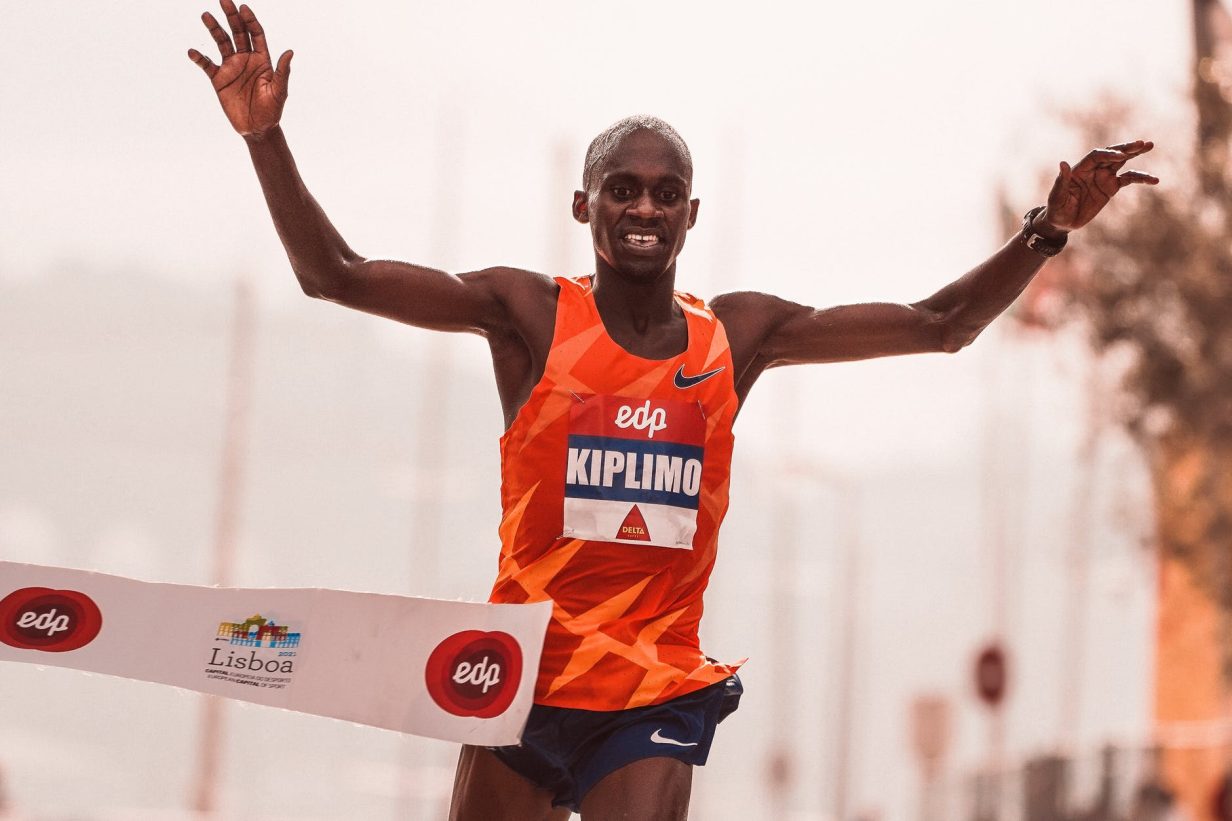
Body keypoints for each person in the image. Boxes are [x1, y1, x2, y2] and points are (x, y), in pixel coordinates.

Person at [187, 3, 1158, 818]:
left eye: (664, 192)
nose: (642, 207)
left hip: (650, 687)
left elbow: (937, 324)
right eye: (621, 189)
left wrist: (1045, 231)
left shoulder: (734, 336)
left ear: (692, 214)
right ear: (584, 205)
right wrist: (263, 136)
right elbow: (334, 275)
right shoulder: (527, 316)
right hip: (520, 676)